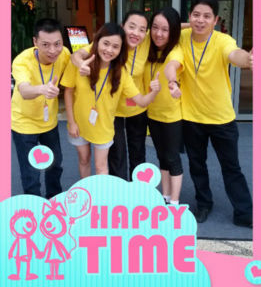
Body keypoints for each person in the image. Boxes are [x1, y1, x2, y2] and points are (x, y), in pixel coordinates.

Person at [164, 0, 253, 226]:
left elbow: (235, 55)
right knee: (197, 165)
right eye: (195, 15)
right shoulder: (182, 38)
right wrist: (172, 81)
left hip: (221, 118)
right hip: (191, 117)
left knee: (231, 167)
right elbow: (172, 62)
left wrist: (248, 60)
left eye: (206, 16)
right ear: (189, 16)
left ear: (216, 20)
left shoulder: (222, 40)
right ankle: (204, 204)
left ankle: (244, 213)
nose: (200, 20)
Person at [62, 23, 159, 177]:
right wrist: (72, 122)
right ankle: (86, 195)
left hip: (104, 127)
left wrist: (154, 92)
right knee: (84, 159)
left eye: (115, 46)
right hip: (79, 124)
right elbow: (68, 91)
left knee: (101, 167)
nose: (109, 50)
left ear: (121, 50)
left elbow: (141, 101)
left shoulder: (120, 72)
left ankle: (101, 199)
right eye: (105, 43)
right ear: (97, 41)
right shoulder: (80, 63)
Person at [11, 19, 70, 197]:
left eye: (57, 44)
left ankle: (54, 200)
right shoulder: (22, 62)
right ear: (35, 42)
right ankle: (34, 208)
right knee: (30, 172)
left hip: (48, 122)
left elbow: (81, 54)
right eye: (46, 45)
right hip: (24, 123)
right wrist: (42, 89)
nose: (53, 50)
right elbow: (24, 91)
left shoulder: (64, 54)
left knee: (55, 164)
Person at [144, 8, 185, 205]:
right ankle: (165, 194)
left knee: (172, 157)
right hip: (152, 113)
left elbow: (172, 67)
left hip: (171, 116)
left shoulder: (176, 51)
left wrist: (173, 83)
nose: (158, 34)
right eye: (155, 28)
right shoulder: (147, 44)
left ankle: (175, 201)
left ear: (173, 32)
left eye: (165, 30)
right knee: (161, 156)